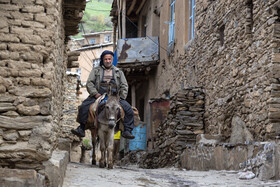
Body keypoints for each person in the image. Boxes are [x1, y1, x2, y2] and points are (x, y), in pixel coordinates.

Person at [71, 50, 135, 139]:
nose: (108, 61)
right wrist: (95, 93)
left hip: (114, 96)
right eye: (106, 59)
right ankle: (81, 128)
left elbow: (124, 85)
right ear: (103, 60)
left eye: (109, 59)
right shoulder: (96, 70)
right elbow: (89, 83)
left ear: (112, 59)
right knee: (84, 106)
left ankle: (127, 130)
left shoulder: (118, 72)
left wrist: (120, 97)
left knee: (129, 110)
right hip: (99, 95)